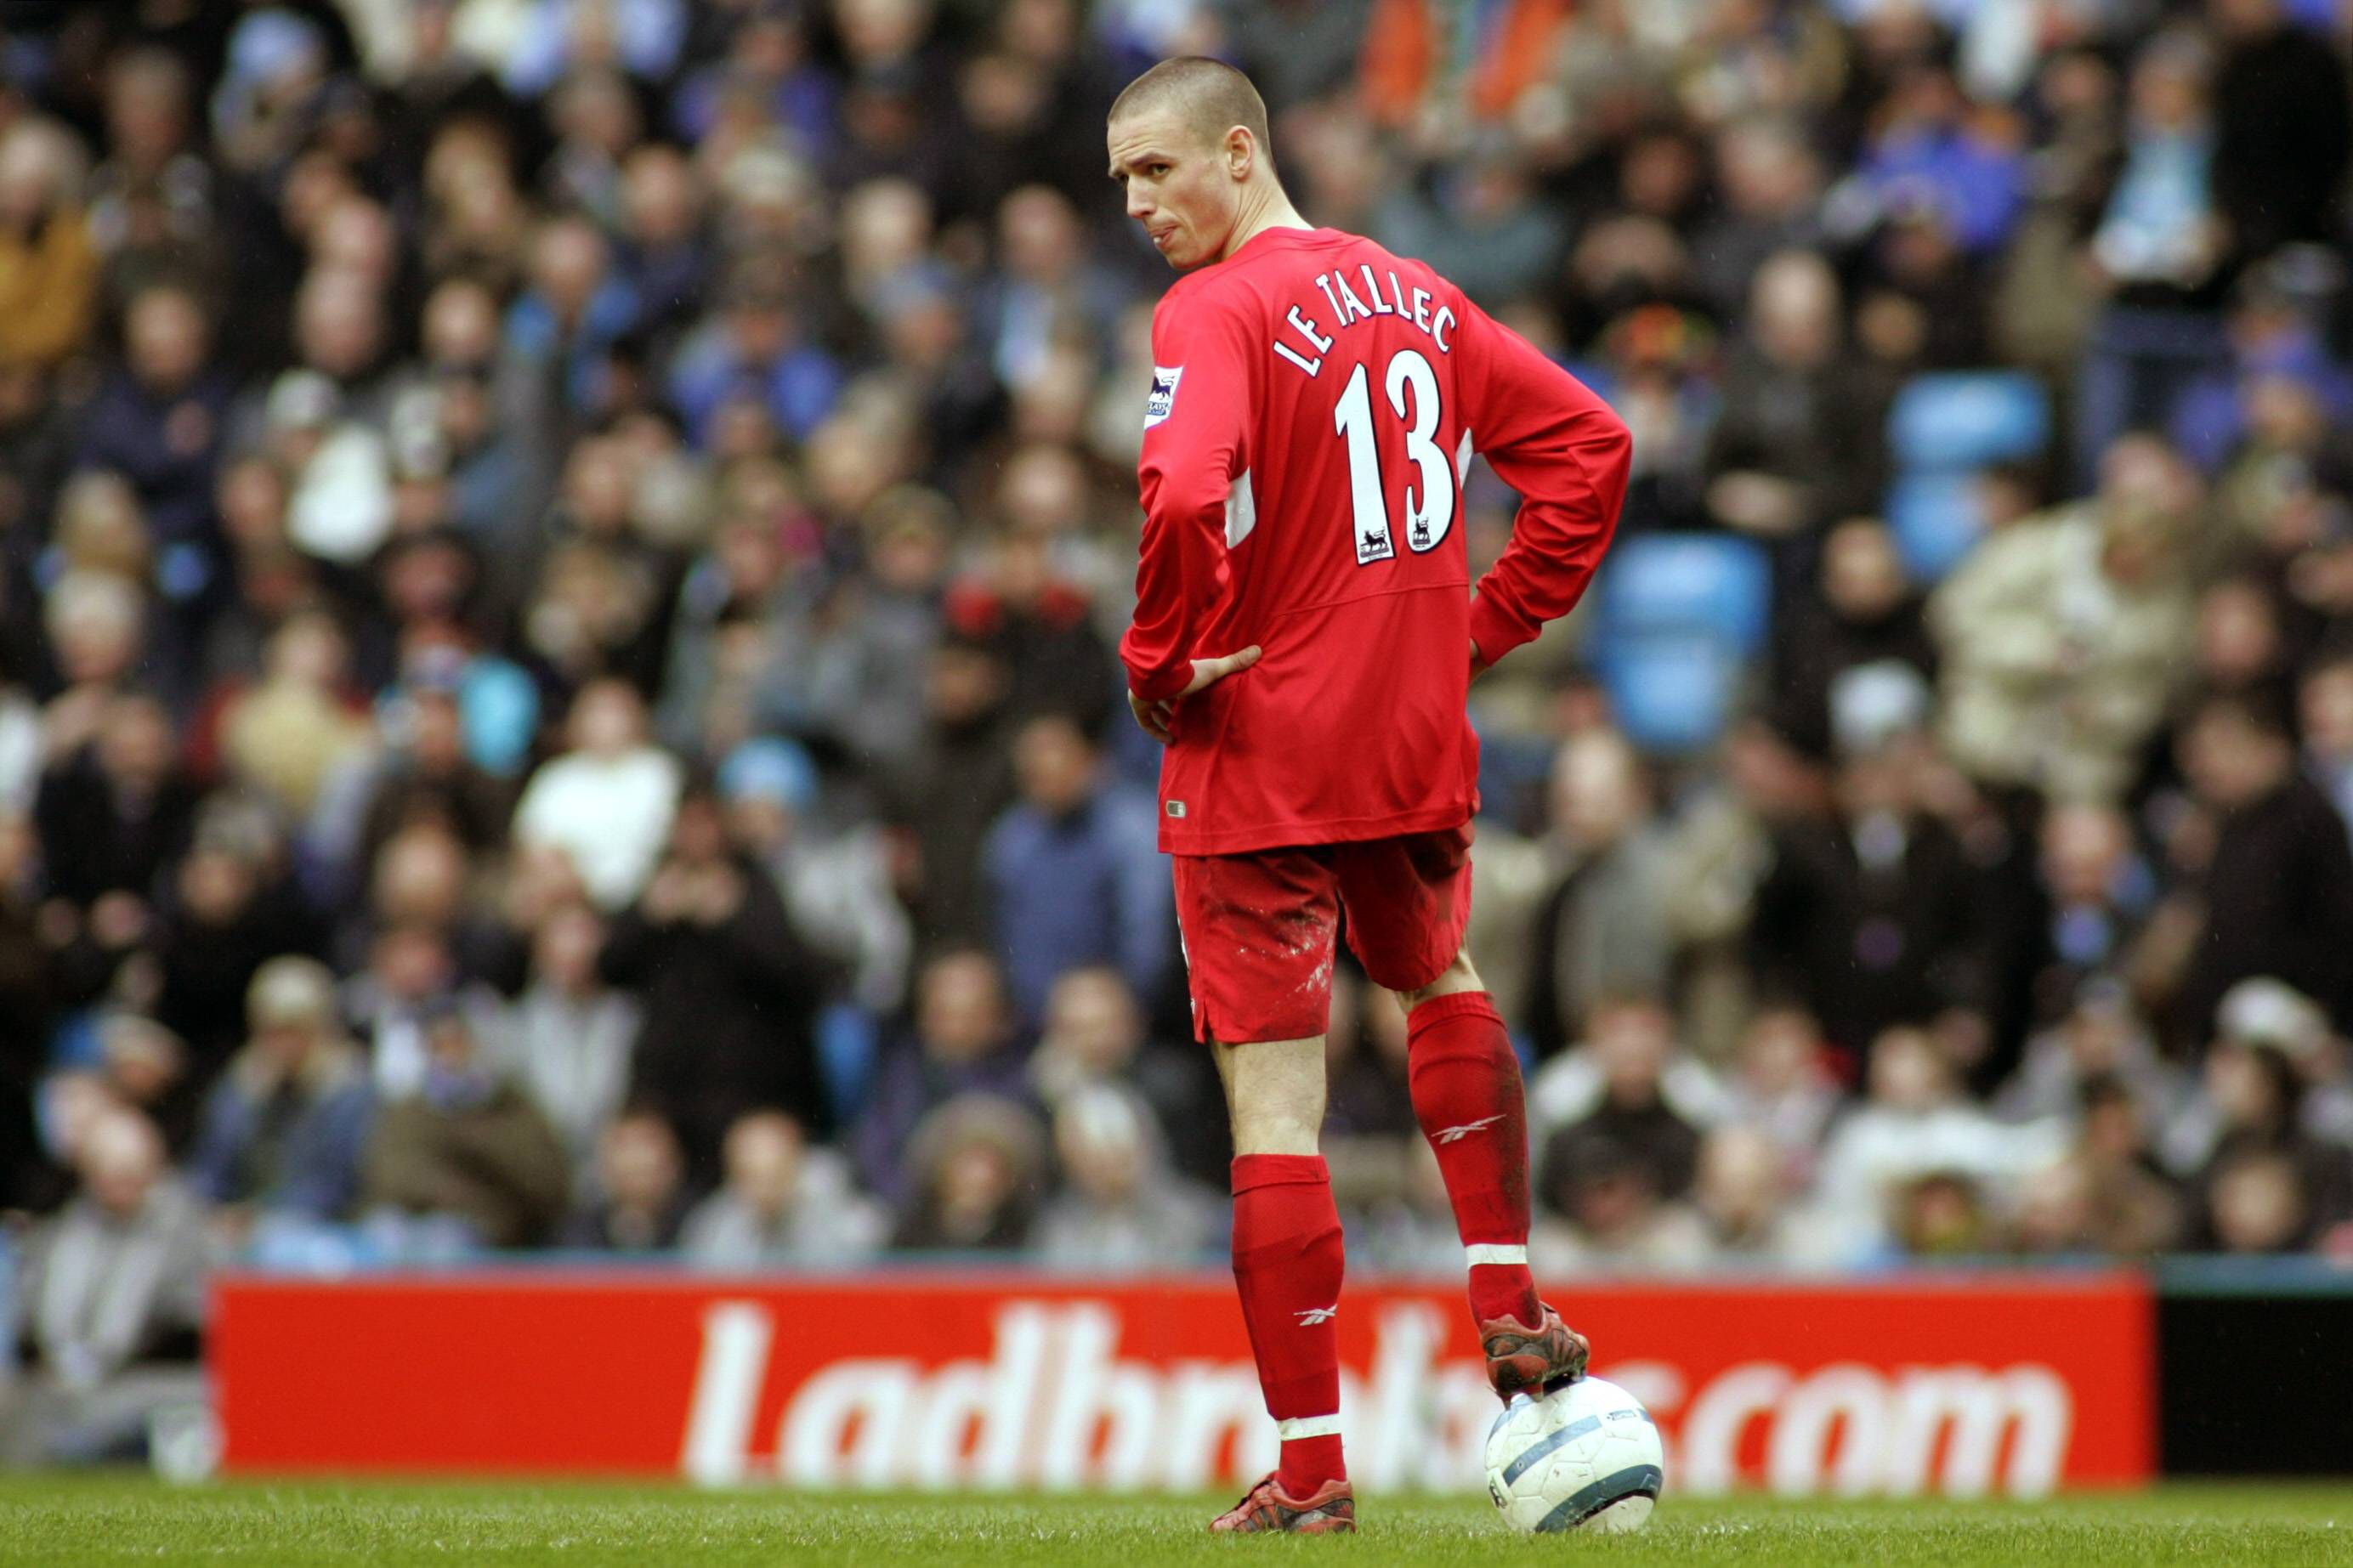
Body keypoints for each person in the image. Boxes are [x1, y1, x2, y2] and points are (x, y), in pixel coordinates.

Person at [1103, 58, 1630, 1531]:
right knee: (1439, 975)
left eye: (1156, 171)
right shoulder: (1414, 290)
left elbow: (1182, 492)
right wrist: (1481, 626)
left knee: (1275, 1106)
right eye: (1121, 185)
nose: (1139, 206)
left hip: (1262, 738)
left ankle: (1316, 1469)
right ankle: (1511, 1296)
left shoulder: (1211, 307)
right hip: (1405, 735)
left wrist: (1160, 663)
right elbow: (1592, 446)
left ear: (1237, 147)